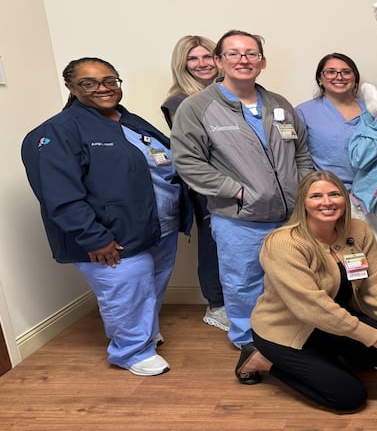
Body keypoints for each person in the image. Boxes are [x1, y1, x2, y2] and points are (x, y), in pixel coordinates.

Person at [21, 57, 192, 376]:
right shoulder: (58, 132)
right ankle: (130, 351)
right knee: (125, 292)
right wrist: (94, 237)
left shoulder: (130, 121)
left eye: (110, 80)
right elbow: (60, 194)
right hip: (110, 238)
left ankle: (145, 334)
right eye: (90, 82)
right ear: (70, 87)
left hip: (158, 228)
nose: (103, 88)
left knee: (149, 287)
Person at [171, 30, 313, 349]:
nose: (243, 60)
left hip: (289, 216)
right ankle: (248, 342)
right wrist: (237, 191)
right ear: (220, 61)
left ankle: (288, 338)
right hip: (239, 218)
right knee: (243, 284)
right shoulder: (197, 108)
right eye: (233, 54)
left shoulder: (279, 104)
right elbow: (187, 161)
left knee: (289, 281)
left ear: (262, 62)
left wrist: (302, 190)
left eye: (251, 53)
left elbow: (301, 151)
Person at [235, 171, 377, 412]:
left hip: (333, 322)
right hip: (287, 329)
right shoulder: (284, 243)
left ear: (344, 198)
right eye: (316, 196)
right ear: (303, 203)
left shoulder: (357, 230)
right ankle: (260, 360)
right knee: (349, 397)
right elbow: (313, 307)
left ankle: (326, 358)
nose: (327, 202)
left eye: (334, 194)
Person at [161, 35, 229, 332]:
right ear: (182, 64)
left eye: (206, 56)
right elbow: (194, 153)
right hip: (206, 184)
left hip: (241, 180)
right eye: (193, 58)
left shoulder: (229, 93)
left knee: (239, 242)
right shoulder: (179, 101)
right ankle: (216, 306)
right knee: (213, 244)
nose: (201, 64)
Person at [296, 53, 364, 190]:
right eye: (330, 72)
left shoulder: (374, 111)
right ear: (320, 79)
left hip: (369, 194)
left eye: (346, 72)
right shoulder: (303, 112)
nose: (339, 77)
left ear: (355, 78)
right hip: (325, 193)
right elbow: (298, 157)